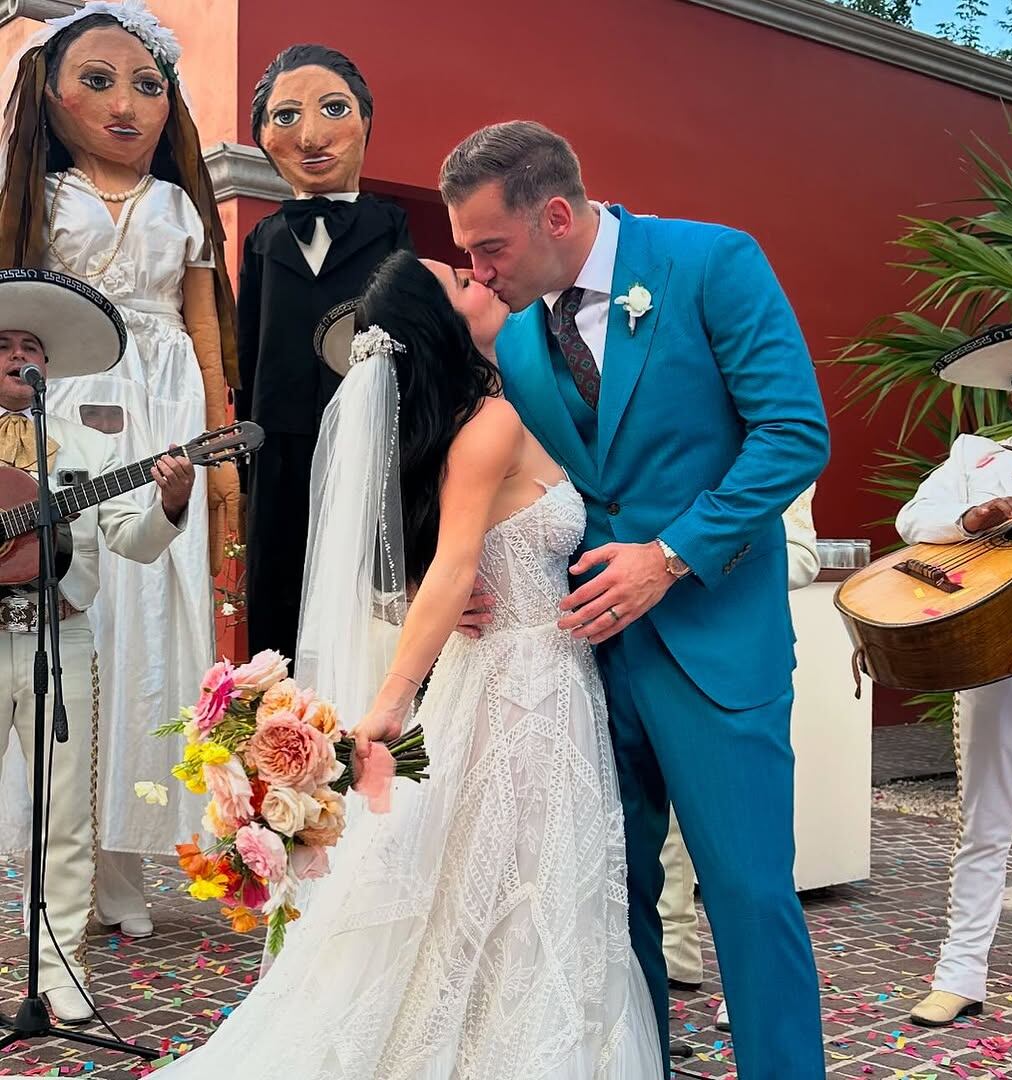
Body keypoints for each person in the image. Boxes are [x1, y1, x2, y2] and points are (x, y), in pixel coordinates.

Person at [160, 250, 662, 1078]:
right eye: (463, 282)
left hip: (535, 681)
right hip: (520, 691)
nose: (485, 280)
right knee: (522, 887)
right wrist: (390, 702)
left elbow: (438, 572)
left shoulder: (498, 413)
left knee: (501, 888)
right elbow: (457, 570)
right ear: (444, 323)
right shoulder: (492, 425)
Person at [440, 121, 829, 1078]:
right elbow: (535, 481)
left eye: (490, 248)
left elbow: (792, 434)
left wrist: (671, 555)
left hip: (714, 645)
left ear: (557, 215)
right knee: (609, 898)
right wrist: (467, 579)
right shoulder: (525, 339)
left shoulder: (712, 263)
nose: (479, 276)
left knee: (746, 895)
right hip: (582, 658)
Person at [0, 0, 238, 937]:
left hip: (171, 401)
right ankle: (69, 845)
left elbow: (209, 338)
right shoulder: (37, 202)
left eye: (147, 84)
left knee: (155, 627)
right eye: (96, 81)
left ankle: (128, 858)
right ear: (49, 97)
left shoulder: (181, 205)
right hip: (70, 398)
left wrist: (220, 466)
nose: (126, 105)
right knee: (80, 602)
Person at [0, 268, 194, 1022]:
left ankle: (59, 970)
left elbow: (133, 543)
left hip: (62, 636)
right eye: (4, 346)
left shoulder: (82, 444)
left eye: (32, 349)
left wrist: (170, 503)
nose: (20, 358)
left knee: (65, 815)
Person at [900, 322, 1012, 1027]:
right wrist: (974, 516)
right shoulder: (977, 458)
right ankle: (960, 974)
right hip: (992, 654)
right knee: (986, 822)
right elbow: (916, 518)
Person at [237, 44, 413, 664]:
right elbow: (246, 346)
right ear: (261, 136)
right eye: (285, 117)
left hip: (369, 436)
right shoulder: (263, 238)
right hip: (278, 444)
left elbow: (411, 333)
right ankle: (280, 735)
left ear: (365, 120)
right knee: (278, 586)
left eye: (332, 109)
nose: (310, 136)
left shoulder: (390, 225)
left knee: (369, 591)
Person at [661, 485, 820, 1038]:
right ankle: (674, 953)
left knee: (741, 850)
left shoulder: (759, 444)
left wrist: (685, 558)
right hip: (626, 643)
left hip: (728, 647)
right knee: (654, 838)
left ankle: (744, 983)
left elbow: (800, 552)